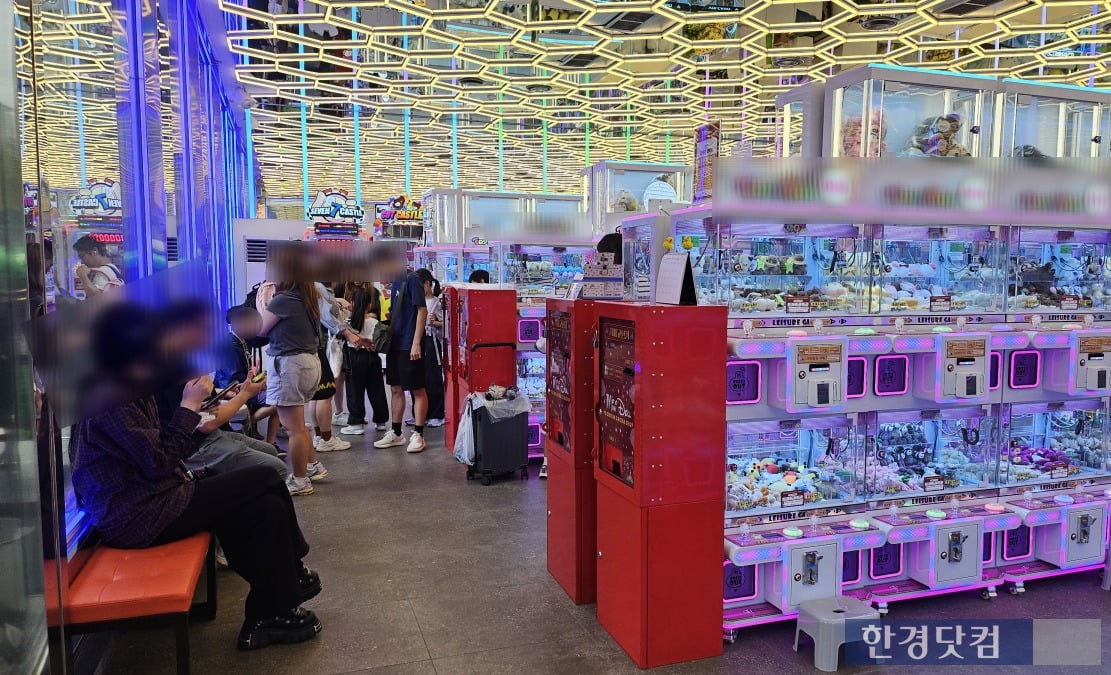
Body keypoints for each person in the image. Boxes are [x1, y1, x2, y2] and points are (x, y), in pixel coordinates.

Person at [70, 302, 322, 651]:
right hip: (138, 515)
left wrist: (196, 409)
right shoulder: (113, 397)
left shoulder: (131, 386)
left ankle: (269, 613)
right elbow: (159, 462)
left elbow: (161, 451)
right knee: (265, 476)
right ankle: (289, 581)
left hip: (156, 497)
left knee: (263, 507)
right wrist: (189, 406)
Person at [155, 300, 288, 479]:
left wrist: (225, 391)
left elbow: (199, 400)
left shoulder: (185, 360)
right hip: (195, 445)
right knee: (276, 468)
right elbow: (205, 423)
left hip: (209, 433)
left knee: (270, 451)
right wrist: (245, 393)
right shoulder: (172, 366)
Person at [257, 280, 330, 495]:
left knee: (294, 429)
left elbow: (259, 331)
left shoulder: (282, 300)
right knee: (299, 425)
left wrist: (262, 303)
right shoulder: (307, 298)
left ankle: (300, 480)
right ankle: (313, 465)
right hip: (308, 362)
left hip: (290, 364)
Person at [375, 263, 429, 453]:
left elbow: (422, 310)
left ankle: (419, 434)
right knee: (395, 388)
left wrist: (416, 342)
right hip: (395, 343)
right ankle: (396, 432)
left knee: (417, 389)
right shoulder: (396, 282)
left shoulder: (412, 279)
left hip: (409, 343)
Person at [217, 305, 281, 444]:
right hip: (232, 391)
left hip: (241, 387)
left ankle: (271, 442)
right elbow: (234, 380)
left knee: (279, 399)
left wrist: (259, 379)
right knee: (278, 402)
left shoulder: (240, 341)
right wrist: (258, 383)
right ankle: (245, 423)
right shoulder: (231, 345)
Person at [340, 286, 389, 435]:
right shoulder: (374, 322)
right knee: (377, 389)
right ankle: (381, 422)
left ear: (352, 303)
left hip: (354, 357)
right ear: (369, 305)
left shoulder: (347, 322)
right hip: (372, 356)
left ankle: (357, 424)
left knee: (354, 390)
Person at [415, 268, 445, 426]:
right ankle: (420, 414)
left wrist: (435, 322)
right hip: (416, 341)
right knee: (417, 378)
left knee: (433, 378)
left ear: (427, 284)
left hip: (431, 342)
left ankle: (437, 414)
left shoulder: (436, 302)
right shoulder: (414, 301)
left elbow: (447, 324)